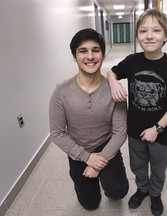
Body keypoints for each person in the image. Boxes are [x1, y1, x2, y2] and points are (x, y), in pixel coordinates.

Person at [107, 8, 167, 216]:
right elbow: (111, 72)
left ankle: (155, 194)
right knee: (138, 164)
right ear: (137, 36)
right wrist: (113, 84)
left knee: (159, 167)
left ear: (166, 36)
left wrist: (157, 128)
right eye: (143, 31)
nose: (149, 36)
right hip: (134, 129)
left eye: (156, 30)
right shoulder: (133, 61)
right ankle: (142, 189)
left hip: (161, 132)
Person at [49, 28, 129, 210]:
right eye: (83, 51)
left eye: (96, 50)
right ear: (74, 56)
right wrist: (86, 158)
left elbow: (119, 133)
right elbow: (57, 133)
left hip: (106, 145)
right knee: (90, 204)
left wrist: (99, 162)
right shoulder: (61, 92)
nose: (90, 56)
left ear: (103, 54)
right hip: (78, 149)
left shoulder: (114, 91)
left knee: (118, 192)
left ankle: (109, 178)